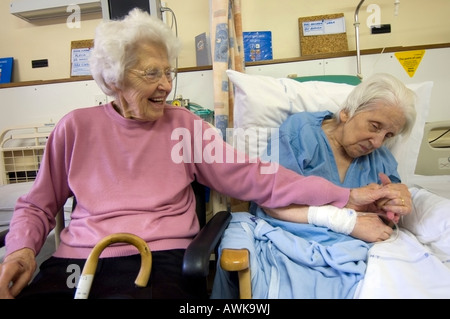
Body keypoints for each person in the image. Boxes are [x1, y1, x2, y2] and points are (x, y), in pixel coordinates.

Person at [0, 10, 405, 299]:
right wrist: (21, 249)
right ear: (114, 77)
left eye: (169, 72)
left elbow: (256, 176)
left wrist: (345, 197)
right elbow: (37, 205)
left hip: (160, 258)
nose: (166, 86)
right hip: (78, 258)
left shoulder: (184, 127)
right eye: (151, 73)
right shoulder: (75, 127)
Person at [211, 72, 416, 299]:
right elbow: (271, 200)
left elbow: (389, 213)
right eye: (374, 126)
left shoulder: (380, 158)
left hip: (353, 255)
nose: (377, 142)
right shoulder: (301, 132)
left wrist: (395, 204)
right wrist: (346, 222)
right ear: (347, 112)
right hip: (289, 243)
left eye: (388, 135)